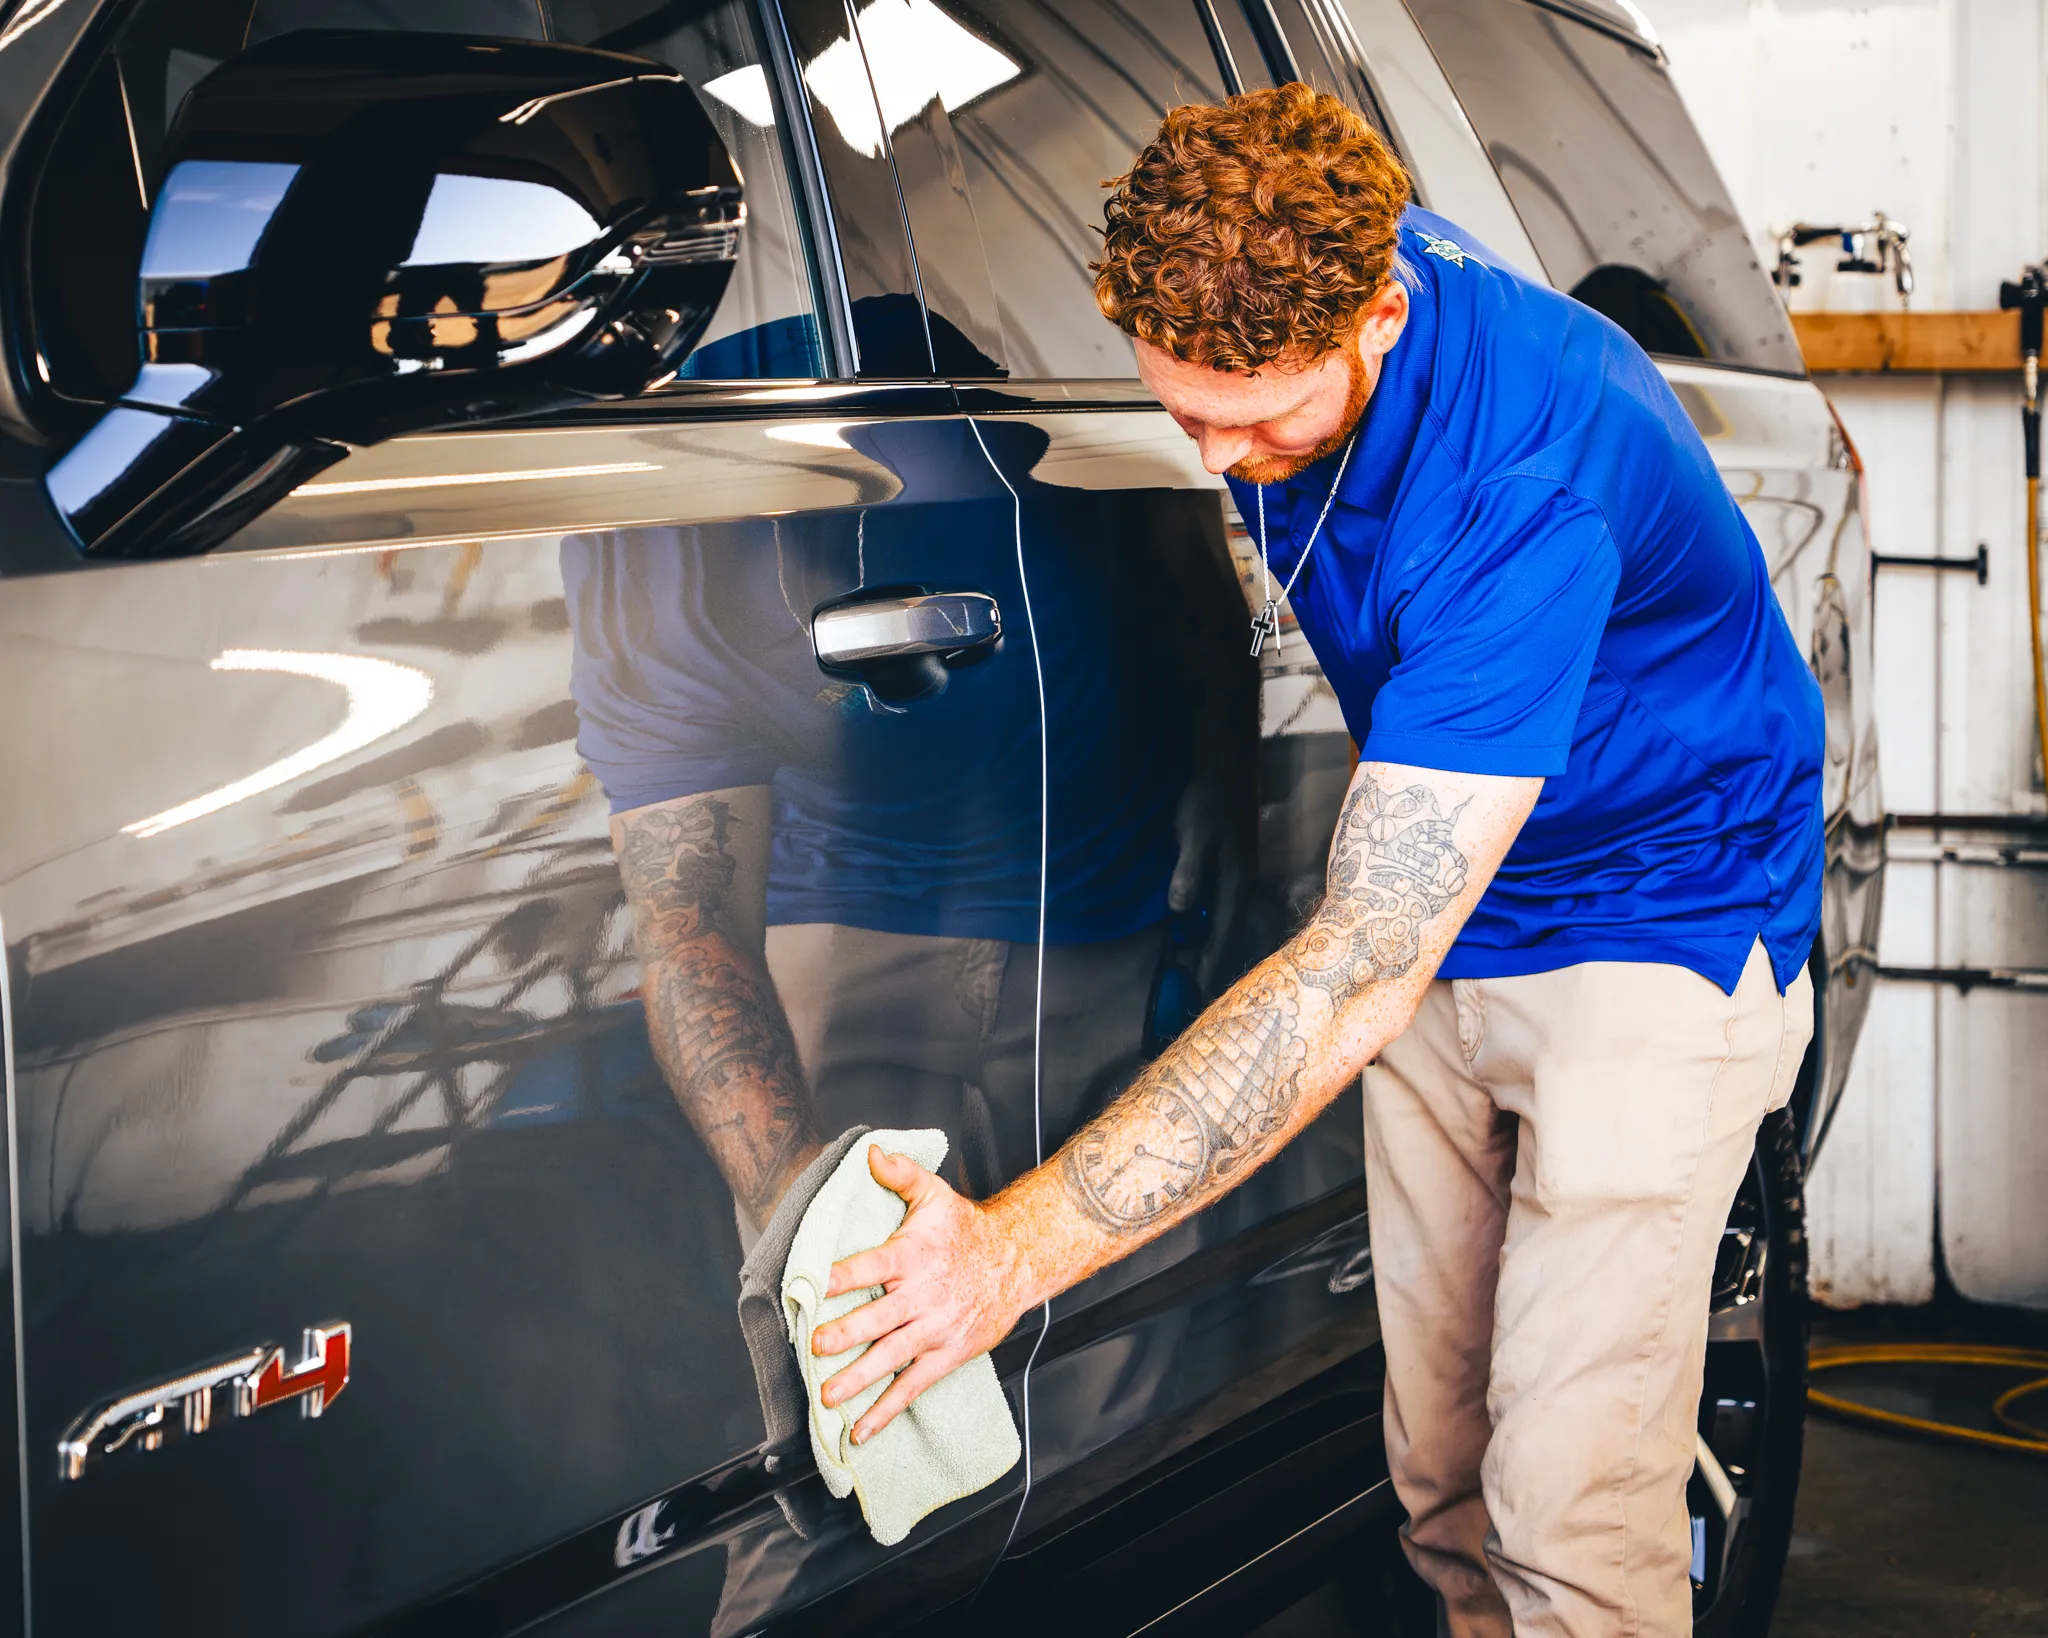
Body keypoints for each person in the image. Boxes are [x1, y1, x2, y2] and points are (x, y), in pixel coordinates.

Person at [803, 85, 1823, 1638]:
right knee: (1443, 1477)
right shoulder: (1274, 252)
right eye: (1186, 412)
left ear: (1385, 308)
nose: (1227, 458)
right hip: (1457, 911)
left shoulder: (1524, 475)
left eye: (1260, 416)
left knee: (1566, 1506)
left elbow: (1361, 962)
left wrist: (1008, 1255)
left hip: (1652, 923)